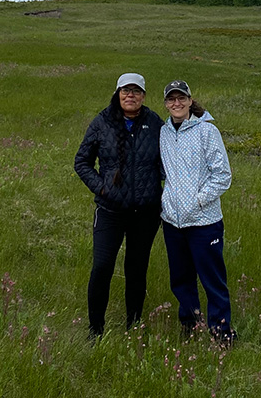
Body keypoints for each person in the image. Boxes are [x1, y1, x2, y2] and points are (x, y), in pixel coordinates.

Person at [74, 73, 165, 338]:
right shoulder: (102, 122)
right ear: (117, 93)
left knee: (136, 269)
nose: (130, 96)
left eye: (136, 91)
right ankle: (95, 330)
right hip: (110, 211)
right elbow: (81, 162)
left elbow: (168, 159)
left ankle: (133, 325)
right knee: (102, 267)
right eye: (126, 90)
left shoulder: (154, 123)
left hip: (145, 213)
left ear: (144, 96)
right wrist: (102, 187)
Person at [159, 79, 236, 345]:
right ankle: (189, 325)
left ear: (191, 101)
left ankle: (221, 332)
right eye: (171, 99)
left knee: (212, 279)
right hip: (172, 222)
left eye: (182, 98)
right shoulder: (164, 133)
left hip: (204, 223)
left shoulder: (207, 132)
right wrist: (166, 202)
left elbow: (222, 175)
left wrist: (198, 201)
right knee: (181, 279)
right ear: (166, 103)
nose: (176, 104)